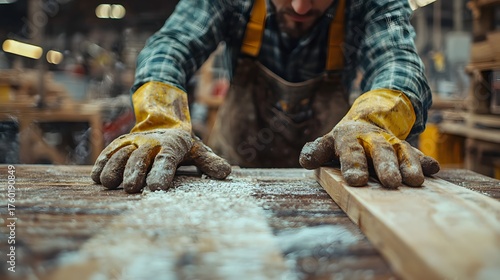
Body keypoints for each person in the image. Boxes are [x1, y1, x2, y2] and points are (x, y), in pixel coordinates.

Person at [91, 0, 440, 193]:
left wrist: (372, 120)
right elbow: (172, 45)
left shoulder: (374, 4)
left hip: (333, 185)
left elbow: (398, 61)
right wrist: (161, 119)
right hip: (229, 180)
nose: (301, 7)